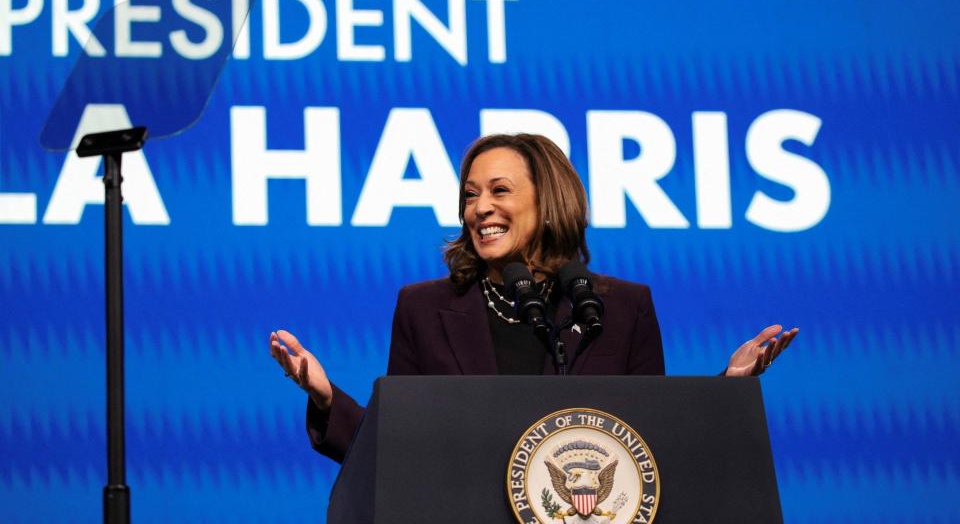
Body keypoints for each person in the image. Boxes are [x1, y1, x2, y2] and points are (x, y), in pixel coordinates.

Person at [269, 134, 798, 463]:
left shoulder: (620, 308)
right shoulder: (424, 309)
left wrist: (727, 391)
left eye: (499, 191)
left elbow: (648, 444)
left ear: (547, 203)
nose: (480, 208)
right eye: (470, 195)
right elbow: (398, 449)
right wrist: (326, 398)